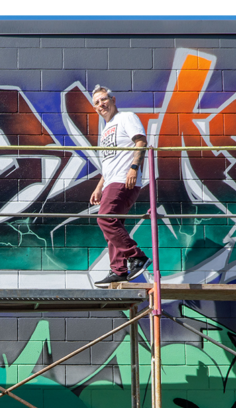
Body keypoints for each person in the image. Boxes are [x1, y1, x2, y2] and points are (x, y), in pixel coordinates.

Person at [89, 86, 151, 288]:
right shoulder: (106, 129)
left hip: (124, 180)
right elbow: (109, 163)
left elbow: (140, 141)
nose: (100, 105)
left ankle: (137, 257)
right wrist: (99, 186)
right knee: (114, 226)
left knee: (105, 218)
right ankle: (119, 270)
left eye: (103, 100)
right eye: (96, 103)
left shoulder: (126, 118)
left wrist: (134, 168)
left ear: (113, 99)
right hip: (111, 181)